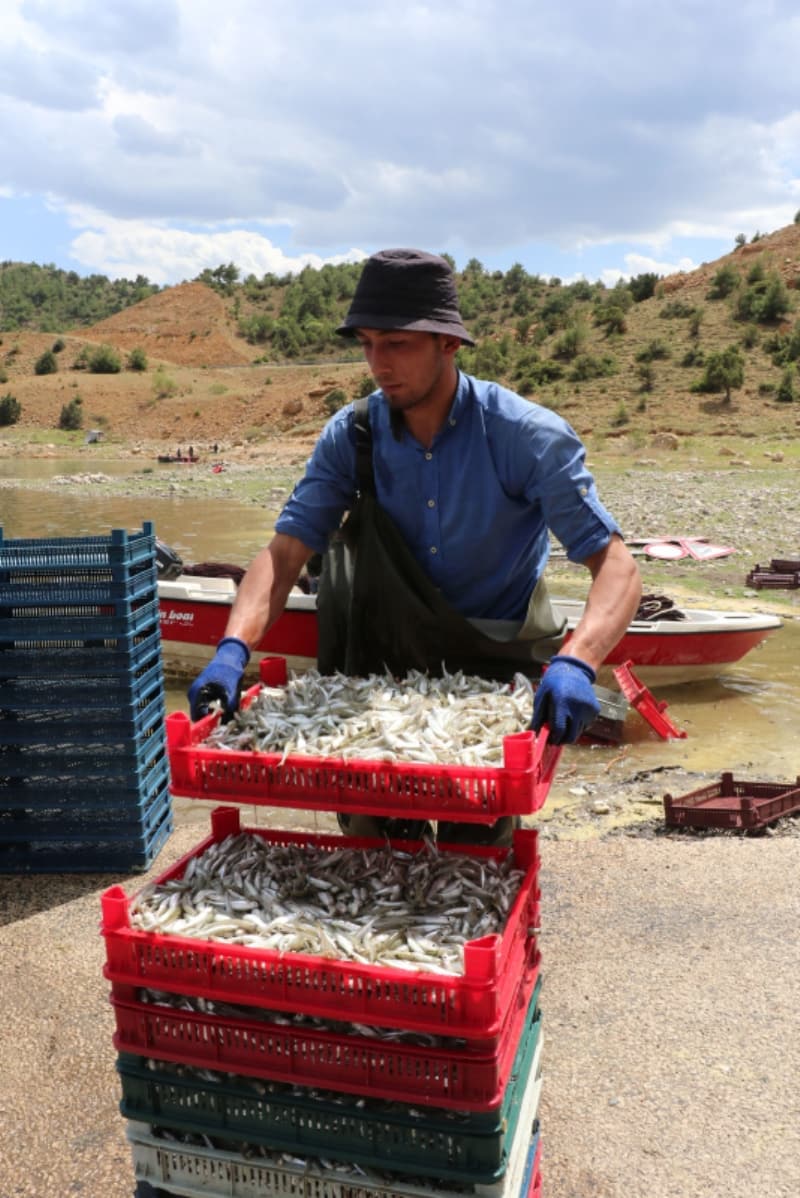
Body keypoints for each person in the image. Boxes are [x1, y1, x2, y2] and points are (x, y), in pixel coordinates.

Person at [188, 248, 641, 843]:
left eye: (397, 344)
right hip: (375, 670)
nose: (378, 364)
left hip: (490, 672)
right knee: (371, 847)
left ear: (448, 343)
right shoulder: (352, 435)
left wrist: (577, 661)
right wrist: (231, 650)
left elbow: (616, 565)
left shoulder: (525, 436)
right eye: (367, 344)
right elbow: (285, 554)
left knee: (474, 845)